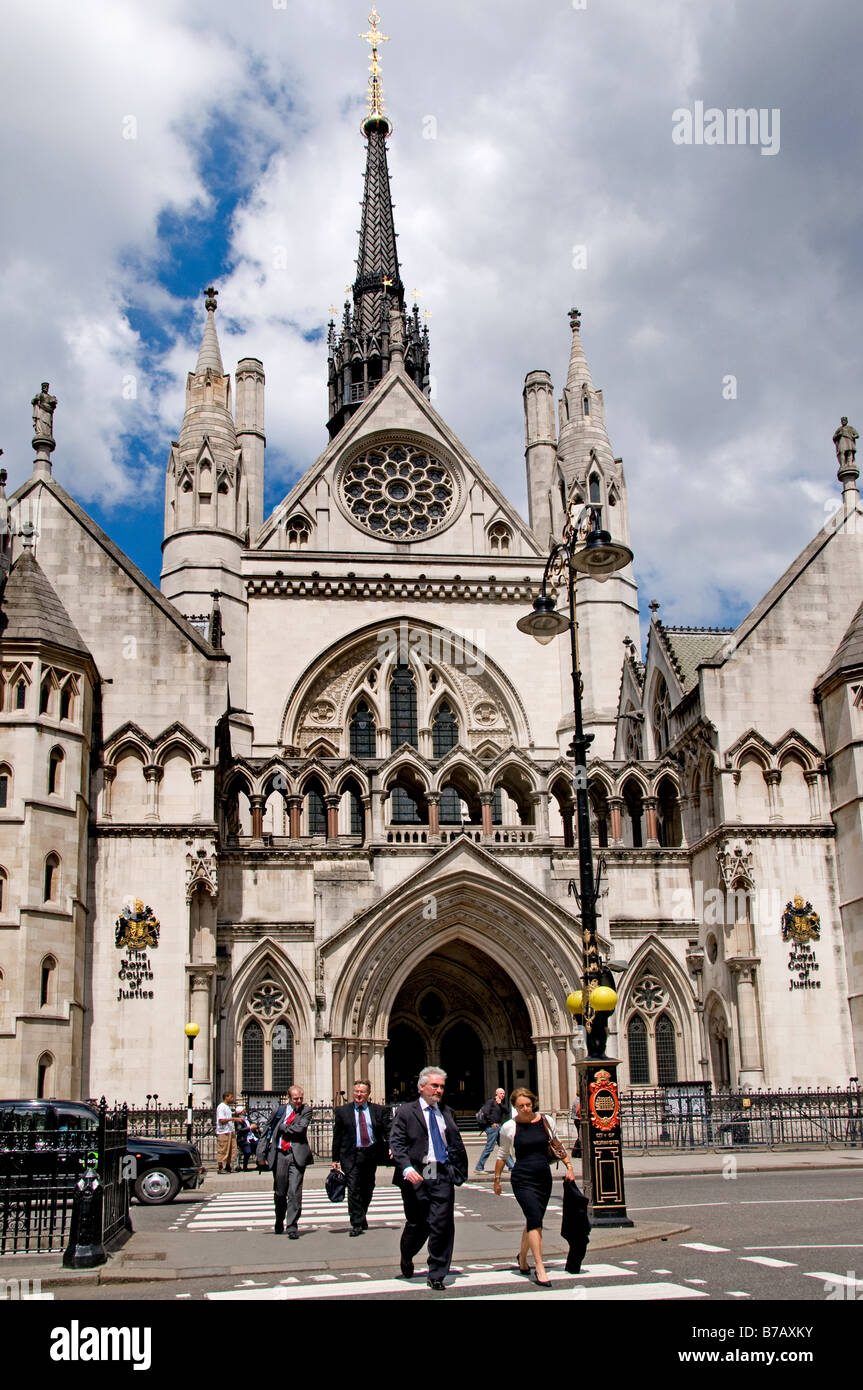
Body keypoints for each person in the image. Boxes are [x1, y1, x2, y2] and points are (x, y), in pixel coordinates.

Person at [389, 1066, 468, 1291]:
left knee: (442, 1225)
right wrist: (405, 1168)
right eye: (435, 1085)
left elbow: (454, 1142)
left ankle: (437, 1273)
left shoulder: (447, 1112)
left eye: (442, 1086)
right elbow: (397, 1142)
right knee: (418, 1223)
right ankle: (407, 1254)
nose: (439, 1090)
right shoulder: (406, 1111)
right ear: (421, 1087)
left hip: (441, 1172)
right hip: (417, 1174)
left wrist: (455, 1169)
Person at [493, 1087, 576, 1287]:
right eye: (521, 1106)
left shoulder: (546, 1121)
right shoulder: (509, 1127)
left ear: (533, 1103)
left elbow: (558, 1145)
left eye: (528, 1105)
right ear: (514, 1107)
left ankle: (522, 1258)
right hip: (522, 1178)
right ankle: (540, 1267)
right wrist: (497, 1179)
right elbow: (503, 1154)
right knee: (534, 1219)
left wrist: (570, 1167)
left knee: (534, 1220)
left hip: (543, 1177)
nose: (525, 1109)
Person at [331, 1079, 392, 1235]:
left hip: (370, 1154)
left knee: (368, 1187)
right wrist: (335, 1159)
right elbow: (337, 1136)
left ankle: (361, 1213)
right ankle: (356, 1223)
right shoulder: (342, 1111)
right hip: (350, 1155)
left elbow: (388, 1131)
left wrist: (392, 1147)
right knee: (353, 1188)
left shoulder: (379, 1111)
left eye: (362, 1092)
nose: (358, 1094)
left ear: (368, 1094)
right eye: (356, 1091)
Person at [261, 1085, 313, 1237]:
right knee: (280, 1191)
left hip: (296, 1155)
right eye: (296, 1099)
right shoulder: (279, 1111)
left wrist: (283, 1127)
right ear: (289, 1098)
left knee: (295, 1191)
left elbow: (300, 1129)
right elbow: (267, 1130)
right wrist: (261, 1154)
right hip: (279, 1155)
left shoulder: (306, 1110)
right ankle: (279, 1219)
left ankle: (292, 1226)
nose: (299, 1101)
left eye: (301, 1098)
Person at [475, 1087, 515, 1173]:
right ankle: (479, 1168)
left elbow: (507, 1111)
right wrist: (491, 1123)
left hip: (499, 1128)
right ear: (496, 1093)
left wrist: (500, 1104)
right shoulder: (491, 1102)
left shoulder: (500, 1103)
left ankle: (512, 1166)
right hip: (492, 1128)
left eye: (504, 1094)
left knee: (504, 1147)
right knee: (489, 1148)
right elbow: (485, 1113)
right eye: (501, 1093)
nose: (503, 1095)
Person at [215, 1091, 239, 1173]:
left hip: (229, 1131)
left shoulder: (227, 1107)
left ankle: (228, 1166)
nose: (232, 1099)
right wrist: (233, 1119)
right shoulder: (221, 1107)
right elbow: (221, 1120)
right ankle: (220, 1167)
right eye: (231, 1097)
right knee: (223, 1149)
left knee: (231, 1149)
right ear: (226, 1097)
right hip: (223, 1132)